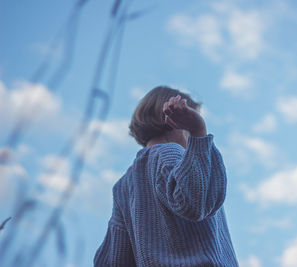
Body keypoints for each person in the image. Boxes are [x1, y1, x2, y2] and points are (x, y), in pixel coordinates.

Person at [94, 86, 238, 266]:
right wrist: (198, 134)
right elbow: (194, 203)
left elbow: (116, 258)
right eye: (187, 129)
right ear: (175, 124)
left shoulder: (124, 186)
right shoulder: (171, 153)